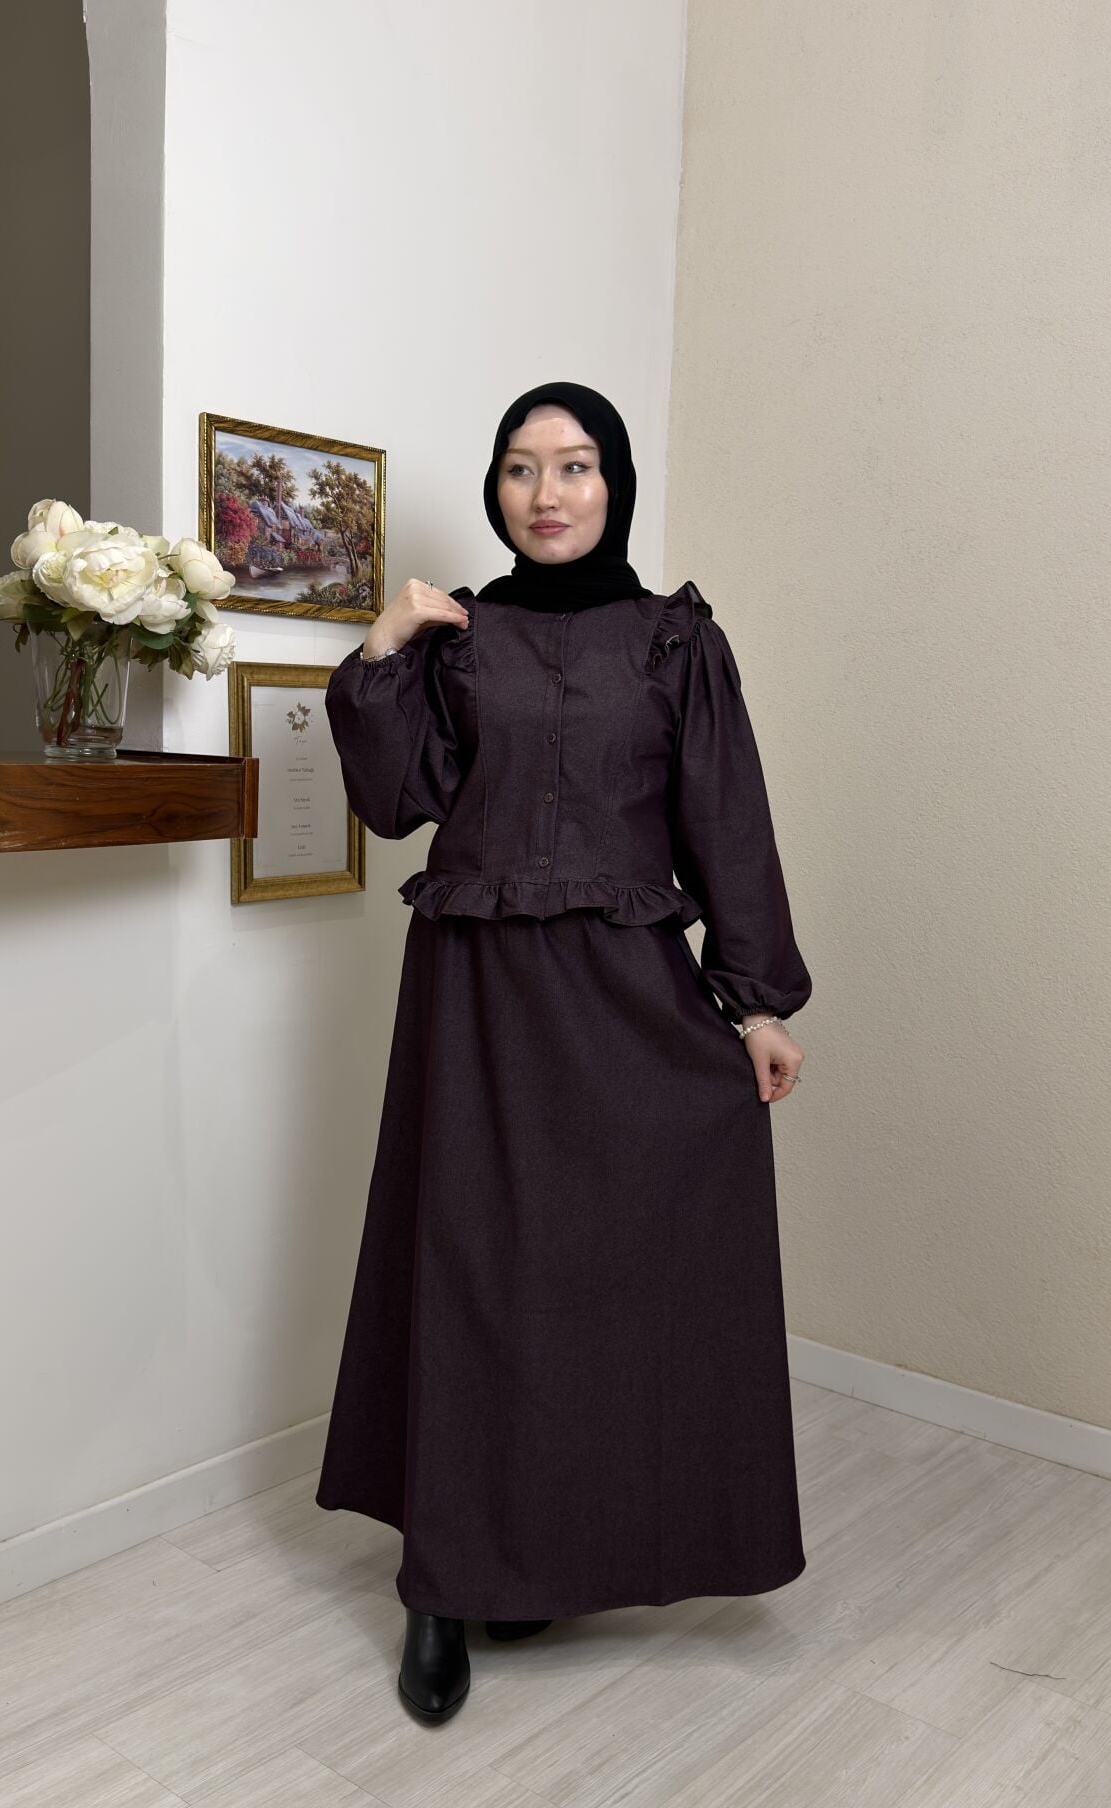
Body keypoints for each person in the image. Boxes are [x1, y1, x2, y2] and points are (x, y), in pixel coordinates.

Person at [315, 380, 812, 1726]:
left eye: (576, 465)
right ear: (496, 489)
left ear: (615, 484)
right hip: (476, 999)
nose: (548, 493)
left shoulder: (675, 641)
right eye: (523, 468)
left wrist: (758, 1003)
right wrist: (384, 643)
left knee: (609, 1280)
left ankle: (547, 1550)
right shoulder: (457, 642)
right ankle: (443, 1586)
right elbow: (398, 801)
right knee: (471, 1271)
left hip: (625, 996)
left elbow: (728, 819)